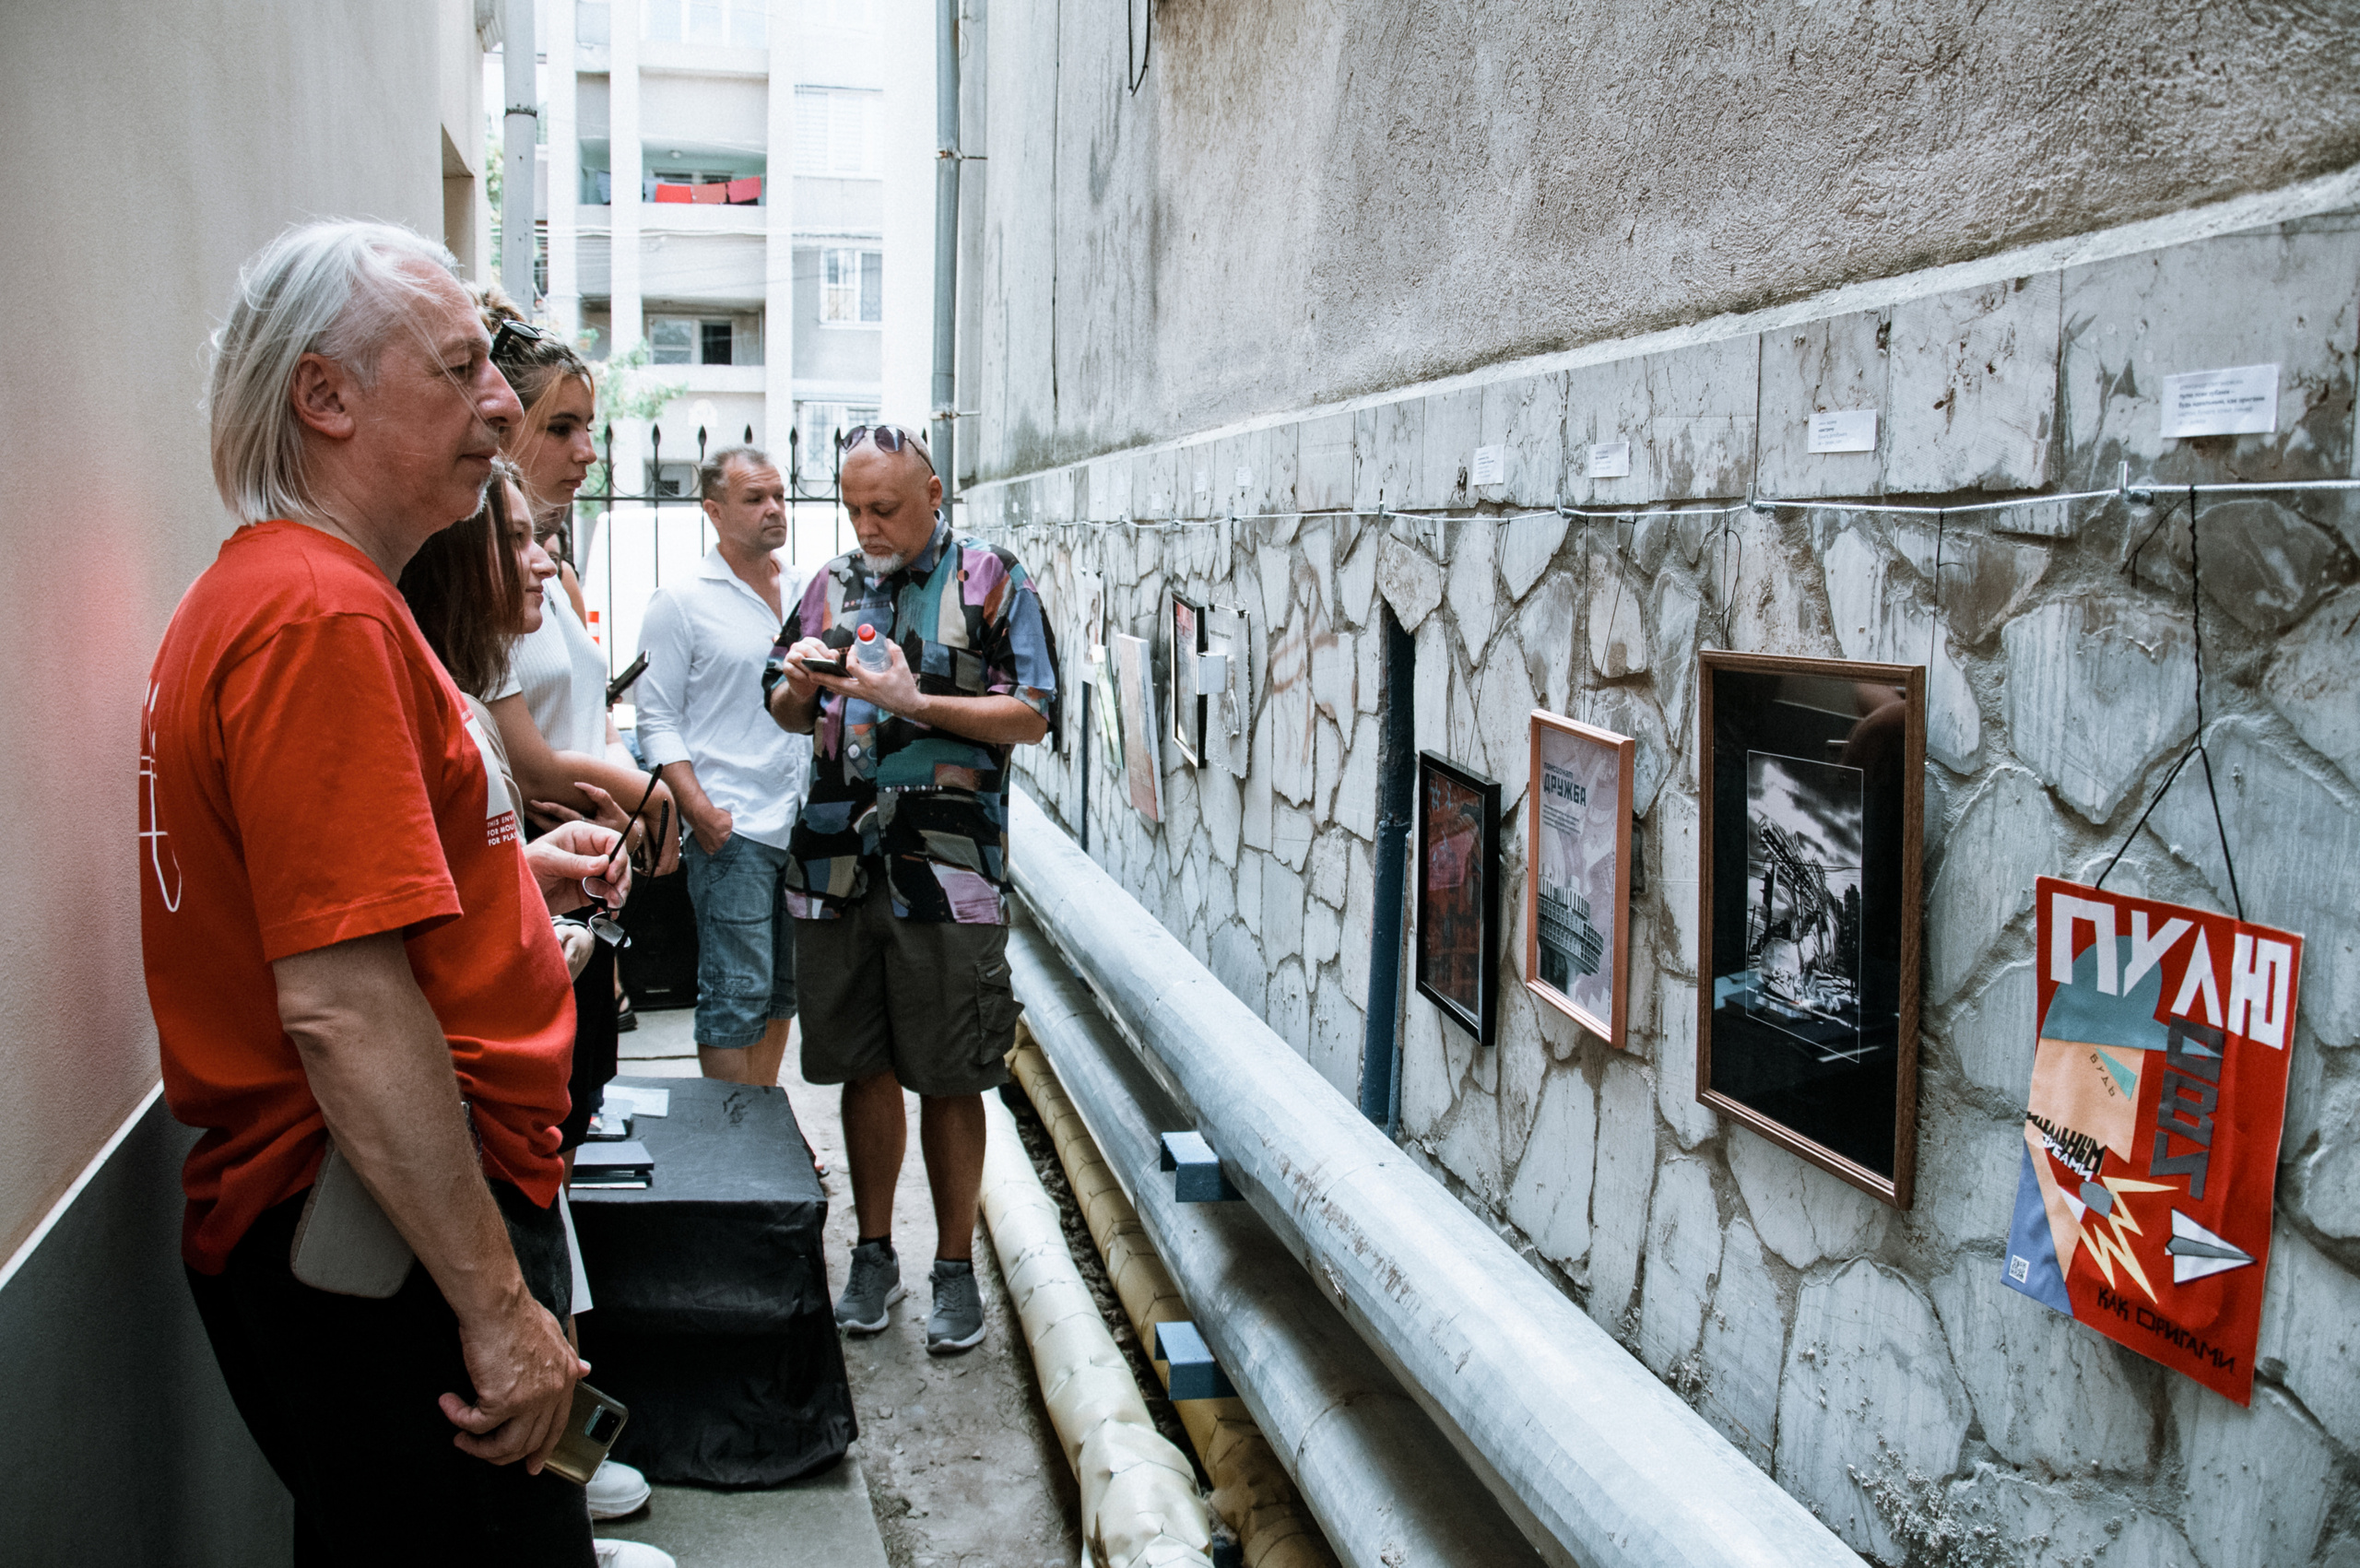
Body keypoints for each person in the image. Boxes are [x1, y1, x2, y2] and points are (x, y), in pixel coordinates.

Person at [141, 219, 639, 1566]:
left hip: (377, 1220)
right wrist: (497, 1307)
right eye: (460, 368)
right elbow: (345, 1008)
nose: (501, 405)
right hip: (384, 1234)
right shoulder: (321, 618)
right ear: (326, 397)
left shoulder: (294, 596)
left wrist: (503, 882)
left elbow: (341, 908)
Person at [762, 424, 1056, 1355]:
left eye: (884, 508)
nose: (867, 526)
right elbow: (782, 705)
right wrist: (801, 685)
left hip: (947, 872)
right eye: (853, 508)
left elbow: (1033, 714)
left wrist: (915, 703)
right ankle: (875, 1254)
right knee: (862, 1066)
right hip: (835, 865)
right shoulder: (828, 585)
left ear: (934, 492)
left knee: (952, 1074)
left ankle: (955, 1269)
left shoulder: (992, 580)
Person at [634, 446, 811, 1087]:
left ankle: (758, 1120)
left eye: (779, 496)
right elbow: (655, 719)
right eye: (754, 498)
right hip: (733, 827)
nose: (774, 509)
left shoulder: (806, 590)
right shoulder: (681, 601)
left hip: (801, 822)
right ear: (713, 511)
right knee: (735, 996)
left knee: (782, 993)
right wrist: (700, 812)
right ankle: (730, 1137)